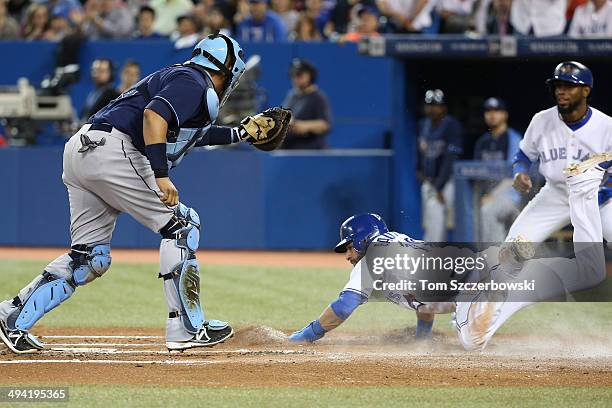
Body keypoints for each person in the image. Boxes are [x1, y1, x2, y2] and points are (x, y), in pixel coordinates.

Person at [0, 33, 260, 354]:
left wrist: (240, 132)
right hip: (113, 149)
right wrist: (161, 175)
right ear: (227, 68)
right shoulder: (195, 82)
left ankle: (10, 315)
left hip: (84, 148)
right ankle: (185, 328)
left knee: (89, 258)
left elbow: (183, 136)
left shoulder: (183, 77)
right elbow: (155, 116)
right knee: (182, 227)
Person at [288, 213, 439, 343]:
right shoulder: (398, 241)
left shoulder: (373, 258)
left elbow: (343, 307)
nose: (347, 256)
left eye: (349, 248)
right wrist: (422, 338)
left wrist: (307, 334)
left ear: (364, 239)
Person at [507, 61, 612, 243]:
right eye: (558, 86)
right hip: (555, 194)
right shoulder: (541, 120)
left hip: (597, 197)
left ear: (586, 90)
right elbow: (523, 155)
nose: (561, 91)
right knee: (512, 248)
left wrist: (599, 197)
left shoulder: (606, 126)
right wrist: (519, 172)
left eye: (569, 86)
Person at [474, 97, 522, 242]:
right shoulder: (483, 142)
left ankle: (494, 260)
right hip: (488, 196)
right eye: (488, 111)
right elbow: (475, 173)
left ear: (504, 115)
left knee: (488, 210)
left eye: (496, 111)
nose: (492, 114)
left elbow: (513, 175)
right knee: (478, 213)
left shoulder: (513, 139)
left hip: (511, 197)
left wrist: (492, 195)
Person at [418, 89, 463, 242]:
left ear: (443, 107)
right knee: (430, 223)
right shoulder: (423, 125)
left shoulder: (451, 125)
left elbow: (451, 158)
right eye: (429, 105)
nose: (432, 108)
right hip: (429, 182)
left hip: (447, 183)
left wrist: (439, 186)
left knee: (442, 223)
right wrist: (422, 176)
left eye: (437, 105)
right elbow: (418, 155)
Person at [281, 59, 332, 149]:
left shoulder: (317, 97)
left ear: (310, 75)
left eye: (299, 75)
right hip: (289, 149)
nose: (296, 78)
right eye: (293, 75)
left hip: (310, 150)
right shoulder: (291, 95)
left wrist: (301, 125)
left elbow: (325, 125)